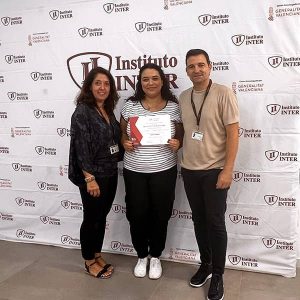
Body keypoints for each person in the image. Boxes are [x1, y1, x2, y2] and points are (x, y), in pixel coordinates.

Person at [179, 49, 239, 300]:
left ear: (210, 66)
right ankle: (205, 264)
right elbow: (184, 130)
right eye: (192, 66)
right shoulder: (183, 97)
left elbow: (233, 133)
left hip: (215, 170)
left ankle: (218, 274)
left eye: (201, 65)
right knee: (198, 220)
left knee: (215, 223)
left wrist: (227, 169)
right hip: (190, 170)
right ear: (186, 70)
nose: (197, 70)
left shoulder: (224, 93)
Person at [120, 63, 183, 279]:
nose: (150, 83)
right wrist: (125, 143)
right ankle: (141, 255)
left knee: (161, 214)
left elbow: (180, 136)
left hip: (164, 169)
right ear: (140, 82)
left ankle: (155, 256)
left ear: (162, 80)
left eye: (155, 78)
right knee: (137, 214)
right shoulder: (130, 105)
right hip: (134, 170)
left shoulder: (173, 106)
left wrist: (178, 143)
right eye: (145, 79)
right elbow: (122, 135)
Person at [68, 67, 121, 279]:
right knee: (91, 218)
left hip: (110, 172)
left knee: (101, 216)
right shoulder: (82, 111)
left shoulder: (108, 109)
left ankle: (97, 254)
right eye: (98, 83)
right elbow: (81, 147)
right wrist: (89, 178)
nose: (102, 87)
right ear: (89, 86)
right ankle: (89, 260)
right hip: (93, 176)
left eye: (107, 84)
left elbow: (114, 139)